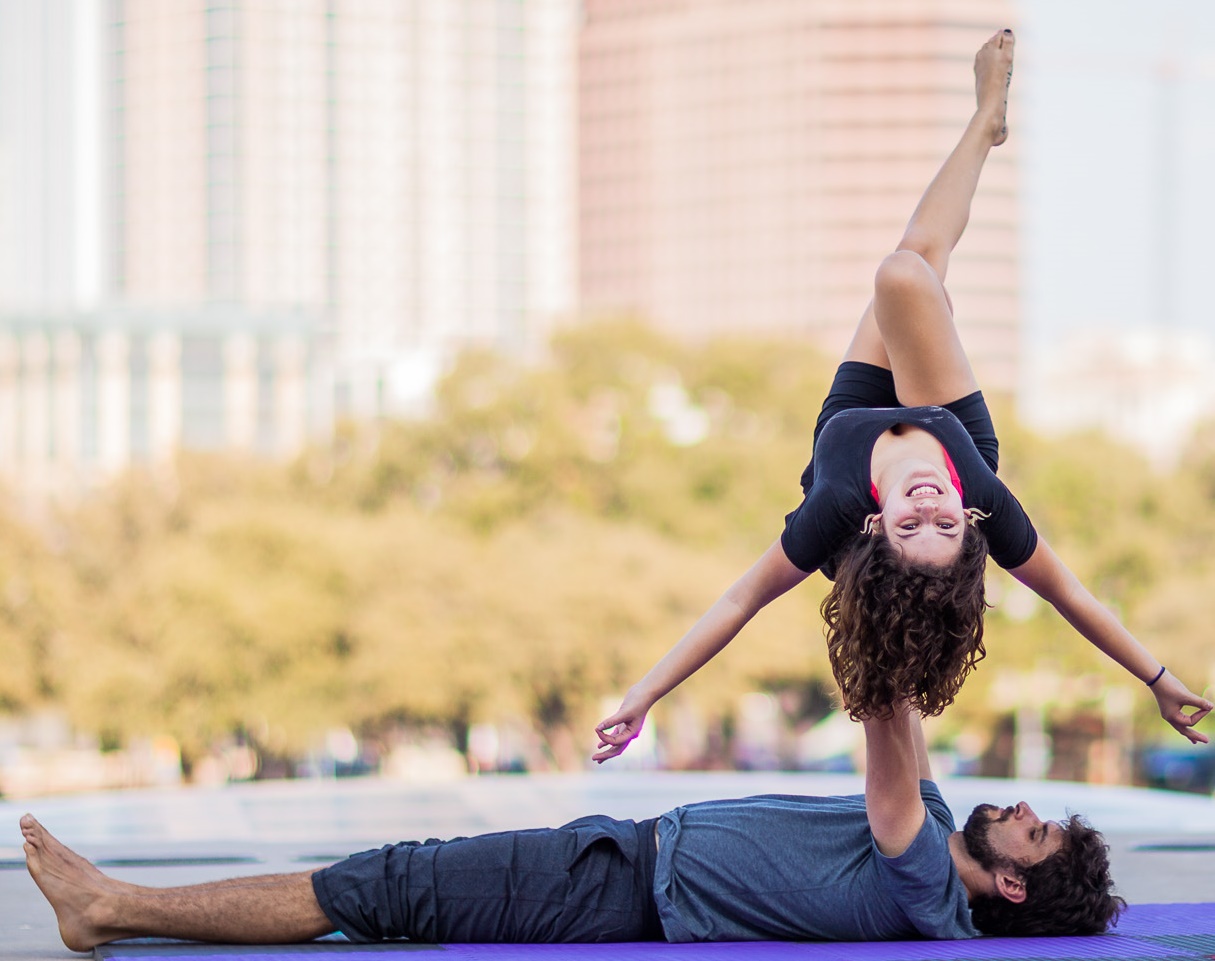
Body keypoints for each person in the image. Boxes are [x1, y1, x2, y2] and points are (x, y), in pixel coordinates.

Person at [593, 29, 1211, 763]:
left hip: (850, 422)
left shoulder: (833, 512)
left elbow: (736, 602)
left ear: (874, 527)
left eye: (909, 525)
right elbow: (1070, 595)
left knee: (907, 266)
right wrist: (1158, 677)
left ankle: (985, 121)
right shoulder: (976, 492)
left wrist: (642, 695)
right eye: (942, 526)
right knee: (908, 271)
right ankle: (984, 122)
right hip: (948, 427)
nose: (927, 508)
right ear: (966, 518)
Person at [22, 699, 1123, 950]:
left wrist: (879, 554)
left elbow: (885, 718)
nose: (1025, 809)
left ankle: (111, 906)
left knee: (385, 886)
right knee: (389, 878)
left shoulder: (928, 887)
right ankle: (115, 902)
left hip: (609, 886)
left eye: (1038, 833)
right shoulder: (940, 822)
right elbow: (910, 729)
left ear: (1013, 885)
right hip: (622, 851)